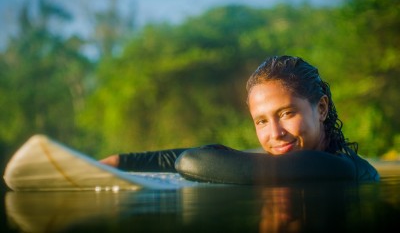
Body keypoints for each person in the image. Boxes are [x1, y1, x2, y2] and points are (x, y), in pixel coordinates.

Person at [100, 55, 379, 184]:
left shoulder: (340, 170)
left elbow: (191, 162)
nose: (275, 133)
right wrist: (122, 162)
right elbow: (234, 160)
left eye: (286, 114)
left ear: (320, 108)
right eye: (261, 121)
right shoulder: (299, 160)